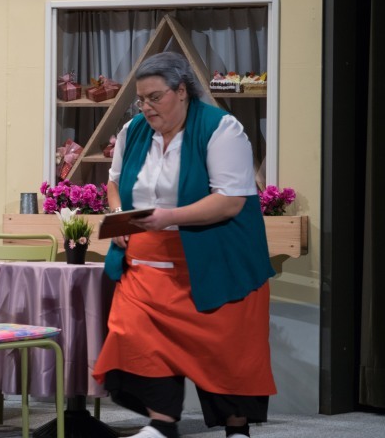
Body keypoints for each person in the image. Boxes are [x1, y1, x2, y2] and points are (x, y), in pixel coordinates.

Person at [92, 51, 276, 438]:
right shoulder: (132, 131)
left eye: (154, 97)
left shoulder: (221, 129)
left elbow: (230, 202)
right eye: (141, 100)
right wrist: (120, 214)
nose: (146, 107)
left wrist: (168, 217)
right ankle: (162, 424)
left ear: (181, 91)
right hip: (146, 267)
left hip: (214, 263)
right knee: (136, 336)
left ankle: (237, 429)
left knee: (226, 351)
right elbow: (114, 183)